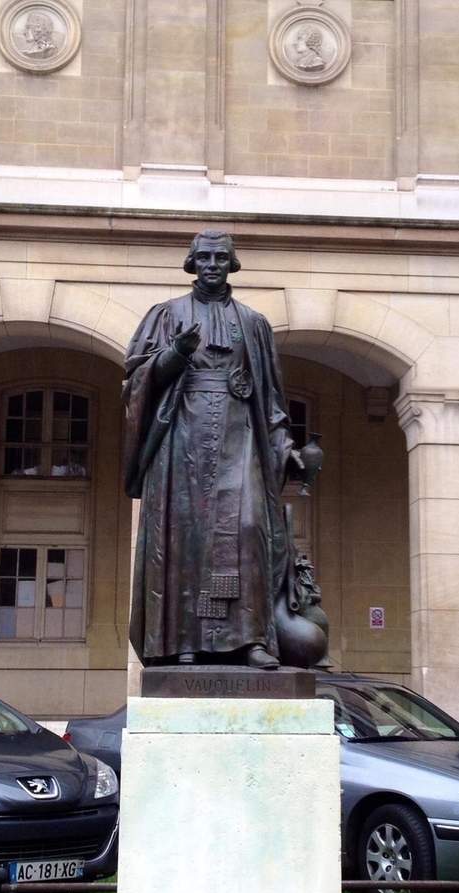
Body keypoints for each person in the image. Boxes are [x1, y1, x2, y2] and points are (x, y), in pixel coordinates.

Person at [123, 230, 303, 670]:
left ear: (232, 264)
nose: (211, 264)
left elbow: (273, 398)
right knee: (184, 537)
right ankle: (183, 641)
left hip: (240, 436)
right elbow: (137, 381)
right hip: (183, 434)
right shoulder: (166, 315)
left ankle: (250, 640)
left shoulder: (254, 323)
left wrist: (284, 444)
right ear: (191, 263)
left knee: (246, 533)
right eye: (203, 257)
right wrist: (175, 354)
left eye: (221, 257)